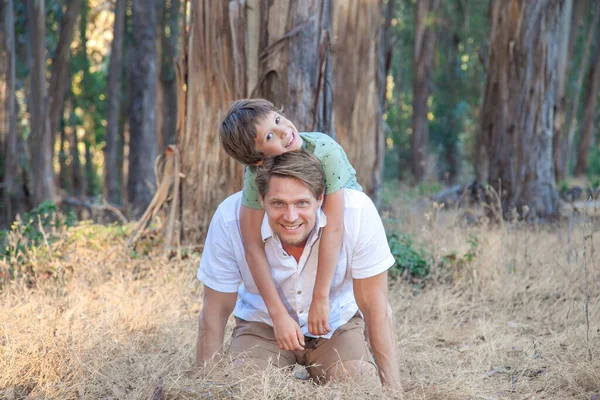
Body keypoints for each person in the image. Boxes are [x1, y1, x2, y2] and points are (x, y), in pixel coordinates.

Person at [196, 151, 401, 389]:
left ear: (321, 197)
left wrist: (393, 391)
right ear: (261, 199)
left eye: (302, 203)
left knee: (359, 387)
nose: (290, 217)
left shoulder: (356, 212)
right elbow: (215, 309)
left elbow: (376, 307)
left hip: (336, 325)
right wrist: (203, 386)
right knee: (244, 387)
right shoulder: (229, 219)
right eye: (278, 203)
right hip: (261, 325)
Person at [219, 99, 362, 346]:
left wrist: (320, 297)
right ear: (258, 161)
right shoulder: (255, 174)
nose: (285, 131)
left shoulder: (325, 151)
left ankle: (359, 333)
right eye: (270, 136)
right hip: (297, 235)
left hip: (338, 229)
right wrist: (278, 314)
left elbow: (335, 227)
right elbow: (251, 244)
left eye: (277, 120)